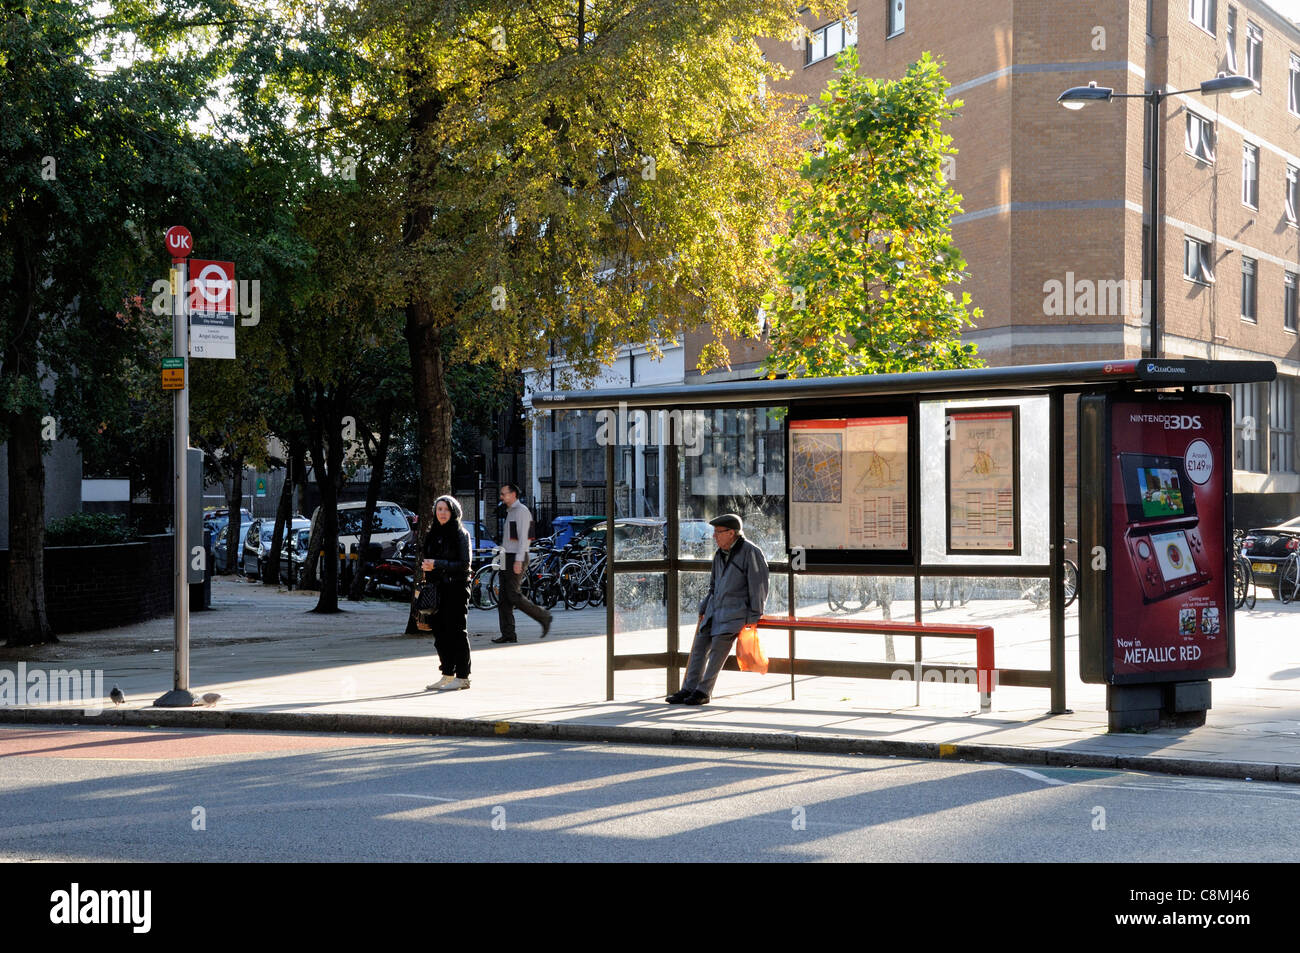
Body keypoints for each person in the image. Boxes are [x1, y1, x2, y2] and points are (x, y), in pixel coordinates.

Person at [666, 513, 769, 706]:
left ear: (732, 533)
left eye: (718, 532)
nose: (714, 536)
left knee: (716, 654)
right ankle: (688, 688)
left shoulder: (750, 552)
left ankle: (703, 692)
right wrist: (705, 605)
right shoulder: (720, 554)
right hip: (714, 611)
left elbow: (759, 585)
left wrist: (754, 615)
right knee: (698, 649)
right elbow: (713, 585)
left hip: (734, 613)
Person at [421, 495, 473, 691]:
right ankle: (447, 673)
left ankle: (463, 676)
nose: (442, 513)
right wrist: (426, 566)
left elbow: (464, 564)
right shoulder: (432, 533)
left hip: (457, 587)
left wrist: (437, 564)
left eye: (446, 509)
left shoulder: (461, 534)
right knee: (440, 632)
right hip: (437, 588)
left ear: (454, 512)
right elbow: (428, 556)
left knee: (457, 631)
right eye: (439, 509)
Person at [493, 483, 553, 643]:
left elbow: (525, 539)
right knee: (504, 599)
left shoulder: (522, 512)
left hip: (515, 557)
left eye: (503, 493)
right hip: (507, 556)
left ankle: (544, 616)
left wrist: (519, 560)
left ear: (513, 495)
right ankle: (508, 633)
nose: (501, 497)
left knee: (513, 595)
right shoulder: (510, 512)